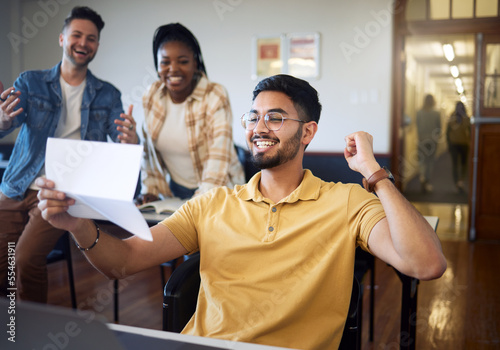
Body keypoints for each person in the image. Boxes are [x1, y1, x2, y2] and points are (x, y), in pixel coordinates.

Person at [37, 74, 446, 349]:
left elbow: (425, 263)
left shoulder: (347, 202)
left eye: (276, 117)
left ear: (308, 132)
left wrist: (373, 173)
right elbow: (123, 261)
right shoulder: (213, 204)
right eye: (254, 117)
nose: (259, 127)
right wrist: (75, 225)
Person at [0, 6, 138, 304]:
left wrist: (131, 140)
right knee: (3, 267)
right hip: (17, 186)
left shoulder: (107, 94)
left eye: (91, 38)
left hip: (64, 193)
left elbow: (121, 142)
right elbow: (7, 123)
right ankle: (9, 328)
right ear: (62, 39)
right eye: (76, 35)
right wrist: (3, 121)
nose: (83, 43)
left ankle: (28, 332)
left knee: (24, 259)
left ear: (97, 46)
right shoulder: (31, 82)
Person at [136, 23, 244, 203]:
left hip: (220, 190)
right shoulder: (152, 95)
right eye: (165, 62)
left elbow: (218, 157)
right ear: (157, 65)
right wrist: (151, 190)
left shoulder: (215, 95)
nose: (173, 69)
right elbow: (149, 154)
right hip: (174, 192)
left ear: (195, 63)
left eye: (183, 61)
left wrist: (200, 200)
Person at [416, 94, 442, 193]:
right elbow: (439, 128)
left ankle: (422, 176)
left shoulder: (419, 113)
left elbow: (418, 126)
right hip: (432, 141)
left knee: (422, 160)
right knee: (430, 161)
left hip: (422, 140)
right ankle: (426, 181)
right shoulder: (436, 113)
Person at [446, 101, 471, 192]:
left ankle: (458, 182)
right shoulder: (466, 117)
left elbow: (447, 133)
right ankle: (460, 181)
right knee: (461, 164)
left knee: (457, 164)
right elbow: (470, 131)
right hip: (461, 143)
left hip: (456, 144)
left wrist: (448, 144)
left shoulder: (453, 117)